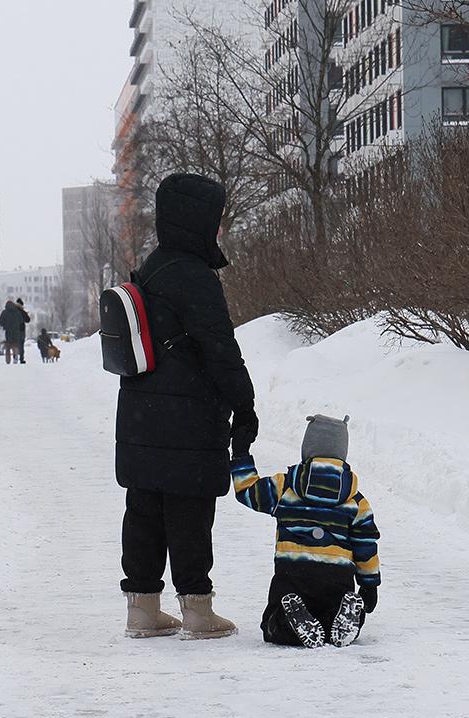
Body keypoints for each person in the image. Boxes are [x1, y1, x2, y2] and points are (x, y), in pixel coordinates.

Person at [116, 172, 258, 640]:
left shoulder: (152, 266)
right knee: (189, 510)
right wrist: (245, 402)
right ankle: (197, 609)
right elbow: (220, 347)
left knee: (143, 507)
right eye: (213, 220)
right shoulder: (194, 276)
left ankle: (143, 609)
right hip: (188, 415)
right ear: (196, 221)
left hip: (140, 411)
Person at [230, 415, 380, 648]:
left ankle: (288, 621)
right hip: (337, 578)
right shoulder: (356, 501)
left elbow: (248, 491)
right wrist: (369, 584)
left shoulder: (285, 487)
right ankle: (348, 616)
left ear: (307, 449)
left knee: (271, 625)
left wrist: (240, 455)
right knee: (330, 622)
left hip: (293, 575)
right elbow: (366, 544)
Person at [0, 299, 24, 364]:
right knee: (15, 346)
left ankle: (8, 360)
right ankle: (15, 357)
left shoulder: (4, 312)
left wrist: (5, 325)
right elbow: (21, 321)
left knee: (8, 347)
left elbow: (1, 322)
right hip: (16, 332)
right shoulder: (17, 312)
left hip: (7, 332)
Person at [15, 298, 31, 364]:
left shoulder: (13, 310)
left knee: (15, 344)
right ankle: (21, 358)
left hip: (14, 330)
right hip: (21, 330)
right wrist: (26, 314)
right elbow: (28, 320)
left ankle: (15, 357)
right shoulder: (22, 311)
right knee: (21, 345)